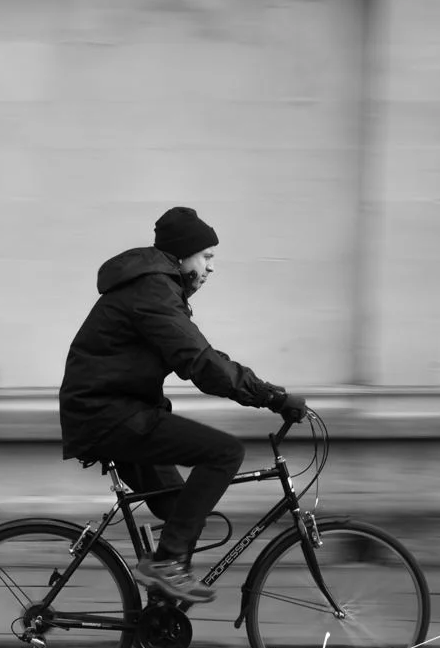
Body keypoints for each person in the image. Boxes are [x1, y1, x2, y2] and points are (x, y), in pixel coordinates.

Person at [58, 206, 308, 609]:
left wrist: (263, 390)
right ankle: (167, 565)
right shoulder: (152, 291)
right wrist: (272, 397)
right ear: (182, 254)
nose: (212, 268)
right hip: (108, 415)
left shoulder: (156, 290)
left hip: (115, 412)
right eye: (206, 257)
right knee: (226, 452)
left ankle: (160, 627)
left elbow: (201, 353)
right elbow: (202, 365)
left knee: (181, 514)